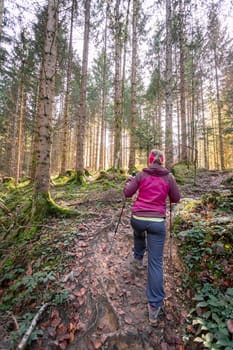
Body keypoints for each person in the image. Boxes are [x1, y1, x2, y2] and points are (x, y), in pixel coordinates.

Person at [123, 149, 181, 325]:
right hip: (157, 222)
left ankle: (138, 258)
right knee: (155, 263)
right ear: (162, 161)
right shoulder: (168, 177)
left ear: (150, 161)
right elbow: (176, 198)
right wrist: (172, 186)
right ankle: (154, 307)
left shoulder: (141, 174)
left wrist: (129, 182)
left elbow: (127, 193)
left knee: (138, 230)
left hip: (138, 218)